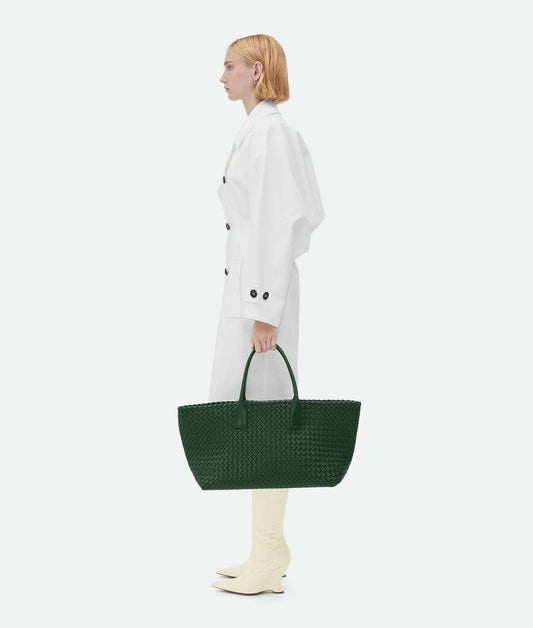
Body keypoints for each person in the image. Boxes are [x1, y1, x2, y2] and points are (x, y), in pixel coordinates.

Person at [208, 34, 325, 595]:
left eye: (229, 66)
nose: (221, 76)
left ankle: (271, 553)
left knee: (269, 421)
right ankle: (265, 551)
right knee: (258, 421)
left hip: (260, 298)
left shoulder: (272, 134)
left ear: (257, 71)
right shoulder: (259, 131)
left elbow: (282, 223)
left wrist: (264, 310)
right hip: (252, 293)